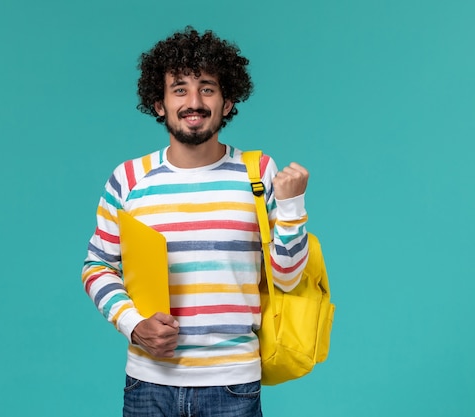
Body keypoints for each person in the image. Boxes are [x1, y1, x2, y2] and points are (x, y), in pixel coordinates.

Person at [81, 26, 310, 417]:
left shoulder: (259, 174)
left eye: (207, 88)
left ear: (227, 101)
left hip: (233, 385)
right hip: (148, 384)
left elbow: (287, 279)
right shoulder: (128, 179)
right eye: (180, 88)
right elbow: (97, 266)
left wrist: (293, 206)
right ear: (159, 103)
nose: (194, 101)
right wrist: (133, 324)